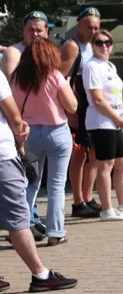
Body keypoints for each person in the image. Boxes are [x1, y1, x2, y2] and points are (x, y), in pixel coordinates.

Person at [0, 68, 78, 293]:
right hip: (3, 156)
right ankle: (41, 274)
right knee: (18, 217)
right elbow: (14, 116)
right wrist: (20, 132)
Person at [11, 38, 77, 246]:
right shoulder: (55, 76)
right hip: (57, 133)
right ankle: (56, 232)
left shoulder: (15, 79)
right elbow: (72, 106)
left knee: (29, 183)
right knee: (56, 185)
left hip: (28, 134)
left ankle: (22, 231)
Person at [83, 30, 123, 221]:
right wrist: (116, 118)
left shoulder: (109, 65)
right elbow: (98, 100)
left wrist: (121, 116)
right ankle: (107, 209)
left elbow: (115, 95)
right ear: (92, 45)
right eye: (99, 43)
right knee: (105, 165)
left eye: (108, 42)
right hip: (102, 121)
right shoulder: (92, 67)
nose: (104, 46)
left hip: (115, 120)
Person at [61, 7, 101, 219]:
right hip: (78, 107)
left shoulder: (93, 46)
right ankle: (78, 202)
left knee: (93, 154)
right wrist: (70, 110)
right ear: (79, 26)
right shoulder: (72, 46)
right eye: (89, 26)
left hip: (92, 107)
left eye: (96, 27)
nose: (93, 31)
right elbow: (60, 79)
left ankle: (88, 197)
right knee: (79, 154)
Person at [0, 11, 50, 77]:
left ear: (46, 32)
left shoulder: (51, 53)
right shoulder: (13, 53)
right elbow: (11, 83)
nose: (35, 34)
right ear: (24, 30)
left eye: (39, 30)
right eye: (31, 30)